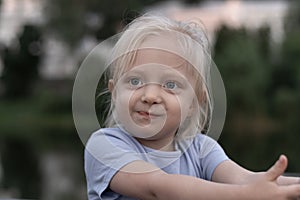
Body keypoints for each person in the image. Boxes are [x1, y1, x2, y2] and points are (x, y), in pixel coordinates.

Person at [84, 13, 300, 200]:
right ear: (114, 92)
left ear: (194, 102)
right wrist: (248, 195)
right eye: (135, 81)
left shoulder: (201, 150)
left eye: (170, 85)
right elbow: (159, 188)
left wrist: (282, 187)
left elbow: (245, 179)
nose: (150, 96)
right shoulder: (104, 146)